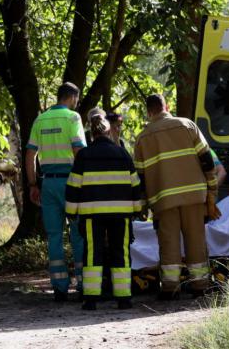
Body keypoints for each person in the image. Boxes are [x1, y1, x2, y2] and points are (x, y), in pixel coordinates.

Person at [133, 94, 220, 299]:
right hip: (194, 196)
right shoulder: (187, 125)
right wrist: (211, 191)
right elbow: (207, 160)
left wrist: (142, 207)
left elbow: (140, 179)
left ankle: (170, 288)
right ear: (167, 107)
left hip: (163, 200)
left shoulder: (142, 139)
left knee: (169, 243)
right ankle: (200, 284)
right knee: (196, 241)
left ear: (149, 112)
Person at [66, 114, 143, 310]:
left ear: (92, 134)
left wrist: (71, 212)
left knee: (93, 253)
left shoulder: (83, 155)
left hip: (92, 214)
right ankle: (124, 298)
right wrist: (137, 210)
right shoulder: (122, 154)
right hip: (121, 214)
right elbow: (135, 185)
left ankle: (91, 299)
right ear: (109, 132)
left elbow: (73, 186)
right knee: (121, 252)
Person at [26, 82, 87, 302]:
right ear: (72, 98)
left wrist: (33, 184)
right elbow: (79, 150)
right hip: (71, 182)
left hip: (48, 184)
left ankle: (59, 287)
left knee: (54, 236)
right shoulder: (73, 118)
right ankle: (83, 284)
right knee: (78, 233)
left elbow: (30, 155)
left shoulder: (40, 119)